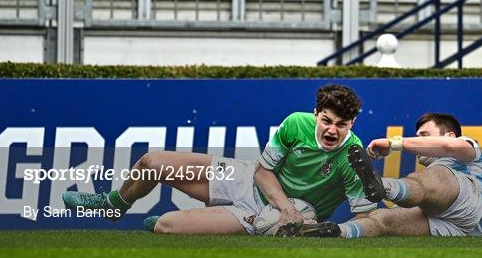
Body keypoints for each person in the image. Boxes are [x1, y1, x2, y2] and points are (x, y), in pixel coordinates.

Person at [62, 84, 377, 235]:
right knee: (152, 163)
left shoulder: (353, 157)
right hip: (249, 181)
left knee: (165, 227)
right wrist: (289, 208)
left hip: (265, 217)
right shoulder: (296, 123)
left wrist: (326, 230)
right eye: (326, 120)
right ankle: (114, 204)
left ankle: (160, 223)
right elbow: (264, 172)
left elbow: (366, 216)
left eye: (341, 124)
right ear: (315, 114)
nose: (331, 130)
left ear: (352, 124)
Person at [277, 113, 482, 238]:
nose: (417, 142)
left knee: (428, 180)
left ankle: (383, 187)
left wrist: (394, 143)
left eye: (424, 135)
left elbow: (447, 146)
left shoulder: (468, 150)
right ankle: (335, 231)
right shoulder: (426, 178)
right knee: (383, 219)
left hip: (469, 207)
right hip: (447, 228)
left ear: (451, 134)